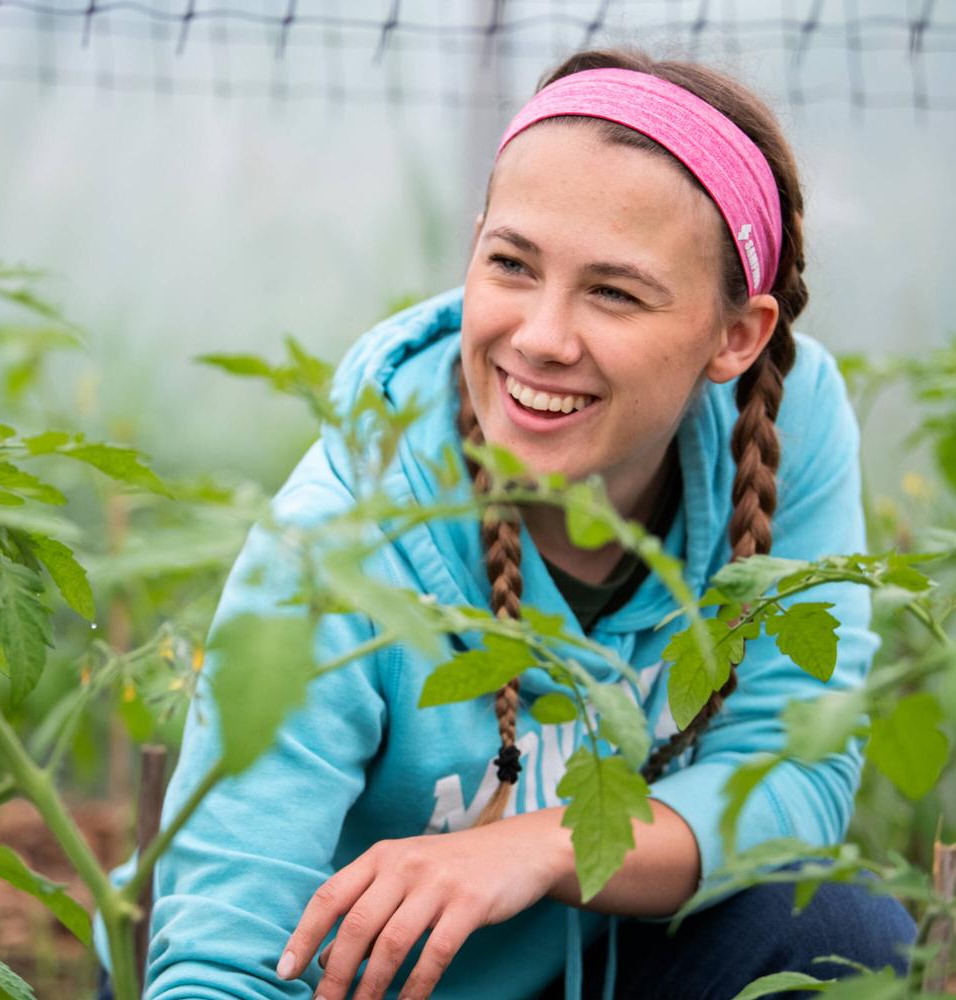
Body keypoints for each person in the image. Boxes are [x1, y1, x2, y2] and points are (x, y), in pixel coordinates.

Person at [94, 47, 916, 1000]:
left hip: (599, 968)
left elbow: (791, 777)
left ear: (737, 336)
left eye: (614, 291)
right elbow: (223, 957)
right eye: (513, 265)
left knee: (840, 935)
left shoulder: (783, 424)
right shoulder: (344, 534)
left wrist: (538, 847)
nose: (540, 338)